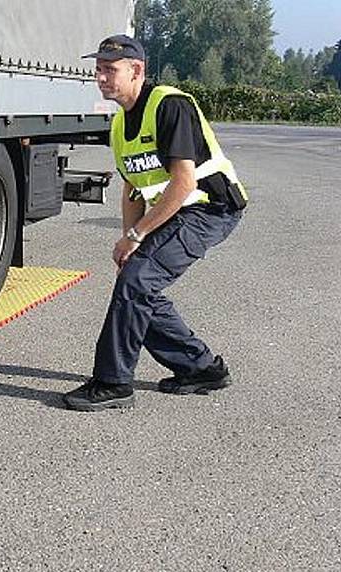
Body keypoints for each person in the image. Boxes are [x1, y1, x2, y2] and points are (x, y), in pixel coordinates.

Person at [63, 34, 248, 412]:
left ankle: (113, 382)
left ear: (137, 71)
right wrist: (127, 243)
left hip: (210, 207)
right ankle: (200, 368)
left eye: (109, 70)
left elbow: (184, 182)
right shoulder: (118, 126)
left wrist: (137, 234)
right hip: (177, 211)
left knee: (137, 284)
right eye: (98, 70)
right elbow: (133, 189)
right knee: (136, 281)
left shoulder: (169, 105)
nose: (101, 77)